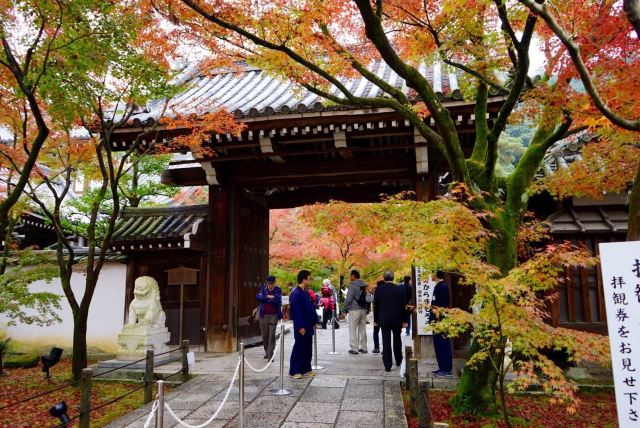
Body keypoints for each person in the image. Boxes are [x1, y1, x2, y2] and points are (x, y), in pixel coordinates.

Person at [374, 271, 408, 372]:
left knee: (386, 341)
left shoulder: (379, 289)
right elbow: (404, 305)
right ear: (393, 278)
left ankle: (387, 365)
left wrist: (376, 320)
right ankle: (399, 360)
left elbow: (376, 305)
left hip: (384, 318)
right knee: (397, 339)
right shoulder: (400, 289)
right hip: (397, 318)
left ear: (384, 278)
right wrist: (405, 320)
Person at [289, 269, 318, 379]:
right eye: (309, 278)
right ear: (304, 279)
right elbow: (296, 312)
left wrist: (314, 321)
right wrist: (300, 326)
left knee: (308, 347)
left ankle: (306, 368)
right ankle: (295, 370)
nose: (310, 280)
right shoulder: (296, 293)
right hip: (301, 325)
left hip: (308, 323)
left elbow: (310, 308)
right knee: (299, 347)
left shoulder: (305, 292)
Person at [430, 270, 453, 377]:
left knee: (443, 344)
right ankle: (442, 367)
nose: (430, 276)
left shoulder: (442, 287)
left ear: (436, 275)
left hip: (440, 321)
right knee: (438, 345)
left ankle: (447, 369)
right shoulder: (438, 286)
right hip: (436, 320)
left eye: (432, 273)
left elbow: (442, 307)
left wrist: (439, 320)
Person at [255, 275, 282, 359]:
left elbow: (277, 300)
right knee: (265, 336)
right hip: (263, 315)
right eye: (269, 283)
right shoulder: (263, 288)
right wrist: (268, 297)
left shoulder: (278, 289)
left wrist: (265, 298)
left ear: (275, 283)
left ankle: (270, 355)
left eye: (272, 283)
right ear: (266, 283)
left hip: (273, 315)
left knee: (271, 336)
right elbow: (258, 297)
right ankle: (267, 351)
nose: (270, 285)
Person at [344, 269, 369, 354]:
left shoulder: (352, 285)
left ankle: (354, 348)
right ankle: (364, 347)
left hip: (354, 309)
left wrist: (345, 308)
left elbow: (349, 299)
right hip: (363, 309)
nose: (350, 277)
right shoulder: (364, 285)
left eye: (350, 275)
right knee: (362, 329)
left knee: (352, 329)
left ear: (354, 276)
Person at [371, 280, 385, 353]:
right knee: (384, 332)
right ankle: (385, 348)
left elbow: (375, 307)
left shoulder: (377, 292)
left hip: (377, 315)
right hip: (385, 316)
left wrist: (375, 320)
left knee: (376, 332)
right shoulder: (386, 292)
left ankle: (376, 347)